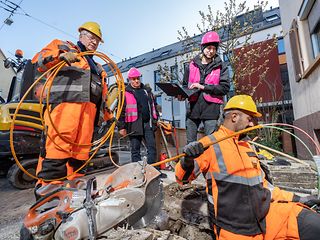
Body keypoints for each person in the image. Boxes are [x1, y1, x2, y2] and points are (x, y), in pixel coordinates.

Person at [176, 95, 320, 240]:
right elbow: (182, 178)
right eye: (249, 119)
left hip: (266, 217)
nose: (252, 124)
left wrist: (300, 198)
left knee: (313, 223)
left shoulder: (248, 146)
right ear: (234, 117)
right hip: (235, 229)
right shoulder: (210, 144)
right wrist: (187, 160)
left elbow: (265, 187)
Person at [32, 22, 112, 193]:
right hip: (64, 112)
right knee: (56, 154)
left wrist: (109, 118)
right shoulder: (63, 47)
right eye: (91, 37)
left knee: (79, 158)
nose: (94, 42)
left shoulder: (98, 68)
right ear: (81, 35)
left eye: (97, 40)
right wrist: (60, 56)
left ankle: (73, 196)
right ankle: (49, 199)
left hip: (87, 118)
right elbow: (39, 61)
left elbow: (103, 97)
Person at [179, 31, 230, 144]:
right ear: (202, 47)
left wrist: (203, 87)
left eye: (214, 48)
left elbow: (224, 88)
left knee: (210, 143)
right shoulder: (190, 65)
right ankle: (191, 162)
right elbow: (185, 86)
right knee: (190, 144)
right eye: (208, 48)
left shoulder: (222, 67)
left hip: (211, 109)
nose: (211, 51)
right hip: (193, 108)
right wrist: (182, 95)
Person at [118, 67, 159, 164]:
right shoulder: (125, 93)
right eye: (134, 79)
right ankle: (137, 173)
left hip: (147, 124)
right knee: (135, 150)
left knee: (152, 148)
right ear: (129, 80)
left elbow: (154, 106)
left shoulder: (147, 91)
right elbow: (121, 112)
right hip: (134, 125)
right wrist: (121, 127)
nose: (136, 81)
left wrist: (155, 119)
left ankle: (152, 170)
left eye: (138, 78)